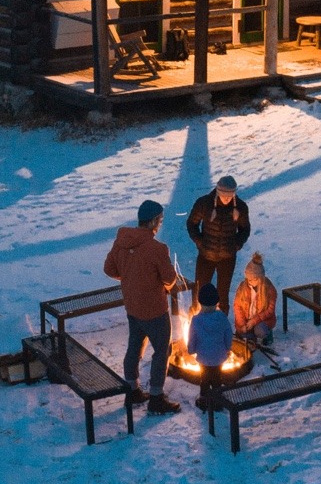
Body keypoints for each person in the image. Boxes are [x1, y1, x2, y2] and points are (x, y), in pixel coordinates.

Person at [103, 199, 183, 416]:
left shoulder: (121, 242)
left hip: (132, 306)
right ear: (153, 222)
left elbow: (109, 268)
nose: (160, 225)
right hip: (154, 310)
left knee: (134, 347)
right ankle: (156, 397)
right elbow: (169, 279)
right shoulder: (157, 249)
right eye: (160, 220)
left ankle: (132, 389)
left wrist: (129, 278)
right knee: (161, 351)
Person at [186, 174, 251, 315]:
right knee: (201, 289)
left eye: (230, 195)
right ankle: (198, 321)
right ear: (218, 192)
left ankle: (221, 325)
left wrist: (237, 244)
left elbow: (245, 229)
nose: (227, 199)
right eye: (224, 195)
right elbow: (192, 223)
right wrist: (200, 242)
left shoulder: (240, 207)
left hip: (227, 257)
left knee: (223, 293)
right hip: (206, 255)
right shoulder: (204, 203)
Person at [187, 282, 234, 413]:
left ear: (200, 302)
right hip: (219, 357)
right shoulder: (222, 317)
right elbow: (228, 334)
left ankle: (204, 400)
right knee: (217, 379)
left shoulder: (196, 320)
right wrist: (227, 348)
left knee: (205, 379)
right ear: (217, 302)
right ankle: (218, 401)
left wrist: (191, 350)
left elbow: (192, 338)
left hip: (204, 358)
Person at [232, 252, 277, 346]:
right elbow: (237, 307)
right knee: (244, 334)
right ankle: (250, 337)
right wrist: (242, 324)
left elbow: (269, 310)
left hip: (261, 320)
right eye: (248, 279)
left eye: (253, 280)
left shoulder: (269, 289)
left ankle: (267, 334)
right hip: (247, 320)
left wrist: (254, 321)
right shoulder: (242, 288)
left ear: (260, 279)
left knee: (260, 331)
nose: (250, 282)